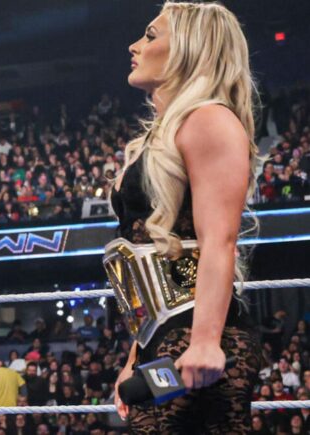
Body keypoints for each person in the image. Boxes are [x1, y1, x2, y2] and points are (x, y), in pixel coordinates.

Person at [107, 3, 262, 433]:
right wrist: (135, 355)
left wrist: (205, 342)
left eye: (151, 35)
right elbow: (154, 252)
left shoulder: (209, 120)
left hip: (199, 338)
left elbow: (219, 239)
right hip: (164, 337)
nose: (135, 46)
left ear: (189, 49)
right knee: (140, 409)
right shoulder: (161, 136)